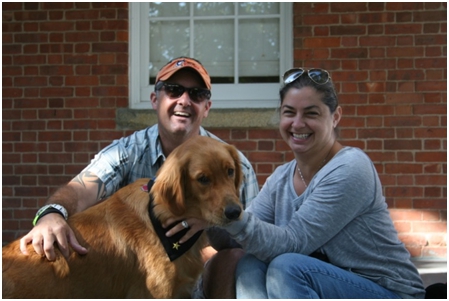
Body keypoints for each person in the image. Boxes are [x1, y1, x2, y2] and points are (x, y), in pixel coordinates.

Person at [167, 68, 426, 298]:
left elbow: (294, 243)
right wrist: (204, 212)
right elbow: (236, 239)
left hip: (388, 290)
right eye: (289, 113)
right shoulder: (281, 178)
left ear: (335, 117)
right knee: (249, 263)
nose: (298, 124)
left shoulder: (351, 167)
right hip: (323, 284)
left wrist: (232, 219)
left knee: (287, 267)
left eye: (311, 114)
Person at [19, 57, 259, 275]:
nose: (184, 101)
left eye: (196, 94)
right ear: (155, 100)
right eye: (174, 91)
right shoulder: (127, 152)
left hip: (206, 272)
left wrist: (206, 231)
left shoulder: (236, 165)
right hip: (139, 277)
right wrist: (52, 213)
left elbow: (256, 239)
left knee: (233, 259)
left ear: (206, 107)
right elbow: (81, 190)